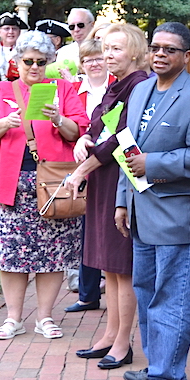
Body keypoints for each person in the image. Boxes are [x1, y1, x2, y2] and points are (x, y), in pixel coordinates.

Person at [115, 22, 190, 380]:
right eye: (156, 48)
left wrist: (153, 164)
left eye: (169, 49)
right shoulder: (141, 90)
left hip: (182, 219)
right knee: (146, 294)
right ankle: (156, 366)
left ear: (186, 56)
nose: (160, 54)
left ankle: (165, 373)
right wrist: (121, 201)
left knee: (173, 300)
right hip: (142, 214)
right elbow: (126, 147)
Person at [0, 29, 89, 340]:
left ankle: (45, 317)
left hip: (51, 183)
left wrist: (58, 120)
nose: (34, 67)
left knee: (52, 253)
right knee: (11, 254)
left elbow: (78, 130)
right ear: (17, 60)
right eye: (28, 61)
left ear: (50, 61)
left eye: (41, 61)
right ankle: (13, 318)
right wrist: (5, 123)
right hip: (7, 183)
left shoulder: (64, 89)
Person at [65, 23, 150, 369]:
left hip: (122, 180)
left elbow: (122, 136)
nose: (107, 54)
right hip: (103, 178)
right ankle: (110, 333)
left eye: (115, 48)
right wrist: (84, 138)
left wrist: (82, 170)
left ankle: (123, 342)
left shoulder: (140, 85)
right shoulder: (116, 86)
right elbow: (101, 125)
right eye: (104, 47)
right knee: (108, 266)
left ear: (134, 51)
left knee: (122, 264)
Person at [63, 33, 116, 306]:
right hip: (78, 162)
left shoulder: (118, 87)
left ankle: (115, 287)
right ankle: (87, 294)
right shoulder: (71, 88)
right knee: (83, 228)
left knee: (106, 226)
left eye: (99, 59)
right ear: (80, 63)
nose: (94, 64)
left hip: (111, 162)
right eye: (88, 60)